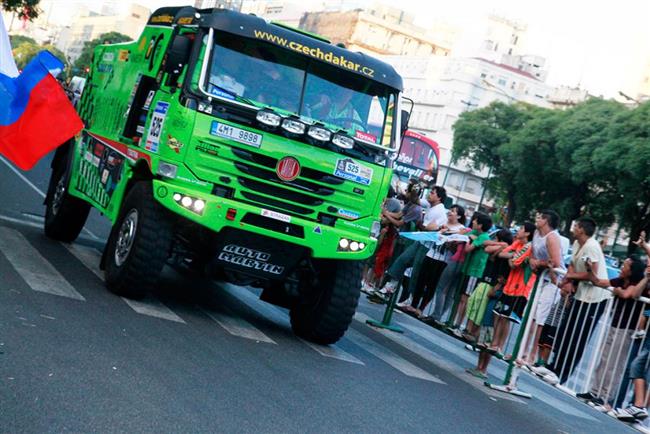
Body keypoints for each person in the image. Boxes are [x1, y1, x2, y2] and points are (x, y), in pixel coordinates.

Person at [537, 217, 610, 385]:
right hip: (580, 295)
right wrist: (567, 281)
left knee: (577, 337)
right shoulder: (577, 243)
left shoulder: (591, 246)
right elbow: (572, 266)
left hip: (594, 299)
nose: (573, 228)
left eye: (576, 226)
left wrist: (570, 276)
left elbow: (592, 274)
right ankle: (554, 366)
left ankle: (562, 374)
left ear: (582, 230)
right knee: (565, 331)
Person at [575, 256, 646, 412]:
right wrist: (589, 269)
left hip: (627, 329)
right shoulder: (620, 280)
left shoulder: (637, 283)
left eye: (625, 265)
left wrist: (619, 291)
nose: (621, 267)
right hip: (614, 324)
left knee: (614, 364)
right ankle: (595, 391)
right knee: (604, 359)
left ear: (632, 271)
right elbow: (599, 282)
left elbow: (629, 294)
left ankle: (606, 396)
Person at [375, 186, 448, 301]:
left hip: (428, 248)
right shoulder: (430, 205)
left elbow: (428, 228)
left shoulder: (439, 210)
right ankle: (389, 288)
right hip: (420, 242)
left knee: (415, 274)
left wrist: (423, 226)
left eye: (432, 193)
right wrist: (413, 189)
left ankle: (409, 300)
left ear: (439, 197)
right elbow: (416, 200)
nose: (429, 195)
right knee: (402, 261)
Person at [399, 204, 467, 316]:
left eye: (453, 211)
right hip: (430, 254)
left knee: (432, 284)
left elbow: (458, 240)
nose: (450, 212)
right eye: (450, 210)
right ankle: (413, 305)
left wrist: (448, 233)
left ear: (459, 216)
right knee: (421, 280)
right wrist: (439, 229)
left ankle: (421, 308)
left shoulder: (461, 228)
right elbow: (430, 228)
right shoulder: (443, 222)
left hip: (443, 259)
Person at [521, 209, 566, 366]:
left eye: (540, 217)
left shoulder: (552, 237)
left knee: (540, 317)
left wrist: (538, 263)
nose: (537, 219)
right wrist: (533, 261)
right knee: (530, 313)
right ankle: (522, 351)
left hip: (553, 281)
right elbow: (533, 254)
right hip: (540, 277)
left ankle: (532, 354)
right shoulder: (536, 234)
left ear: (546, 220)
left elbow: (556, 262)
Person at [490, 222, 537, 355]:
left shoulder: (529, 246)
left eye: (521, 228)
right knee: (499, 315)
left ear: (527, 233)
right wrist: (513, 255)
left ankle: (499, 346)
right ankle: (494, 344)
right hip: (509, 286)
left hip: (520, 288)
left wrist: (512, 256)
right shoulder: (518, 243)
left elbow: (514, 264)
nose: (518, 230)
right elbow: (502, 253)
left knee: (506, 318)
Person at [449, 212, 492, 336]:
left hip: (474, 271)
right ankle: (453, 322)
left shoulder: (484, 237)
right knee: (459, 296)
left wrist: (467, 240)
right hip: (467, 268)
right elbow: (460, 236)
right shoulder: (474, 233)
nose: (472, 222)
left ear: (480, 225)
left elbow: (468, 249)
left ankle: (458, 324)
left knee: (465, 298)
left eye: (475, 221)